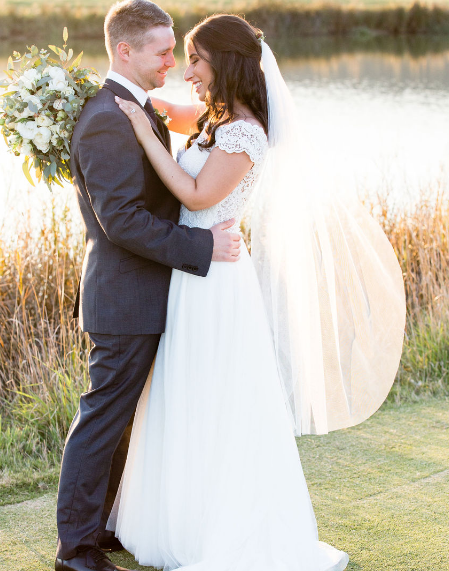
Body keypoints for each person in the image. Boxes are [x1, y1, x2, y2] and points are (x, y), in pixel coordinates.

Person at [111, 12, 405, 571]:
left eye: (195, 59)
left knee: (215, 395)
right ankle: (179, 519)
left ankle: (227, 529)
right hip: (192, 270)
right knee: (183, 388)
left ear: (224, 61)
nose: (188, 71)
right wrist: (123, 98)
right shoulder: (214, 120)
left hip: (215, 282)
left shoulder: (245, 131)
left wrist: (145, 137)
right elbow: (168, 111)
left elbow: (198, 196)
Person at [54, 2, 242, 570]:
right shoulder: (110, 118)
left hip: (145, 296)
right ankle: (76, 549)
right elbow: (123, 220)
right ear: (124, 51)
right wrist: (202, 247)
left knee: (122, 424)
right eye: (163, 51)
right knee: (102, 420)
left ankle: (104, 525)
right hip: (124, 297)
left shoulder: (133, 106)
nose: (171, 61)